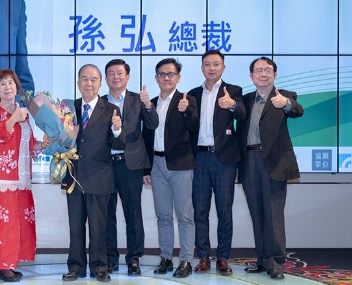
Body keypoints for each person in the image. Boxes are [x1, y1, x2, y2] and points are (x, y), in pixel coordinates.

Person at [238, 57, 304, 280]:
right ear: (251, 76)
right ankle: (262, 259)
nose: (263, 74)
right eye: (259, 70)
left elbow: (297, 110)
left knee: (273, 215)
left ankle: (276, 261)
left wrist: (286, 103)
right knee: (257, 213)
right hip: (249, 161)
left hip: (274, 162)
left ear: (275, 74)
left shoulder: (284, 95)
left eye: (268, 70)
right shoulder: (246, 100)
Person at [62, 64, 124, 283]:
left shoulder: (111, 110)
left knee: (99, 227)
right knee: (75, 225)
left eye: (93, 79)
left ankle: (99, 267)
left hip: (99, 177)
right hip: (74, 176)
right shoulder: (68, 109)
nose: (89, 83)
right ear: (78, 82)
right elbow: (63, 140)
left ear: (100, 83)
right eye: (85, 79)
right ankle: (75, 267)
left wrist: (117, 130)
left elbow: (119, 144)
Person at [0, 69, 47, 282]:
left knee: (19, 222)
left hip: (22, 177)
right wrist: (13, 119)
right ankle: (2, 266)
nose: (7, 87)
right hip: (2, 178)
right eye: (2, 84)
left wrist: (43, 144)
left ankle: (11, 262)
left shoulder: (23, 113)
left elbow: (29, 145)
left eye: (10, 82)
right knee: (5, 223)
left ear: (16, 86)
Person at [187, 50, 246, 275]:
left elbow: (242, 114)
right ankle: (203, 257)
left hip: (225, 160)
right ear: (202, 67)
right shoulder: (193, 94)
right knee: (200, 212)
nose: (211, 68)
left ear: (223, 67)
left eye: (216, 64)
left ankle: (222, 257)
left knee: (224, 211)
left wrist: (232, 104)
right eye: (207, 64)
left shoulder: (234, 91)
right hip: (200, 158)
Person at [143, 58, 199, 279]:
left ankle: (186, 260)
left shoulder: (187, 100)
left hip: (180, 165)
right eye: (162, 74)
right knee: (163, 215)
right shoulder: (151, 103)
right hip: (157, 165)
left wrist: (186, 111)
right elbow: (146, 136)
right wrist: (146, 169)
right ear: (156, 78)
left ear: (178, 77)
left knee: (185, 215)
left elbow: (194, 127)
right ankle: (166, 257)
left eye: (171, 74)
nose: (166, 78)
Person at [102, 59, 158, 276]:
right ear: (106, 78)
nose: (116, 77)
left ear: (127, 77)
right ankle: (110, 258)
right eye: (111, 73)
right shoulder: (100, 102)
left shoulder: (137, 100)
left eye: (120, 73)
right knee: (107, 214)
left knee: (133, 213)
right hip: (105, 165)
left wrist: (148, 105)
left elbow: (152, 124)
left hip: (131, 165)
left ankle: (134, 259)